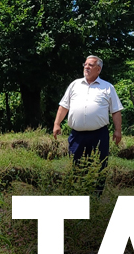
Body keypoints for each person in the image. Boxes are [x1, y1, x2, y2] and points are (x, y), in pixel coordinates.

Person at [53, 55, 123, 191]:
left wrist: (117, 130)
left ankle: (96, 197)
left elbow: (116, 111)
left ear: (98, 69)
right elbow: (64, 106)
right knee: (75, 164)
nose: (86, 67)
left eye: (90, 65)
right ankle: (78, 192)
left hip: (99, 134)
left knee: (99, 165)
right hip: (77, 135)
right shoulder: (74, 84)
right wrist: (57, 124)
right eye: (85, 64)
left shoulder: (108, 87)